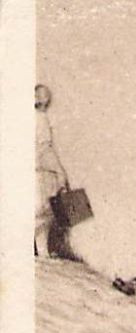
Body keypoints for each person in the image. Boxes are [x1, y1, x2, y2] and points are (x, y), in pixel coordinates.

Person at [35, 85, 71, 259]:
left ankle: (42, 252)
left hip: (38, 170)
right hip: (40, 171)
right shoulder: (40, 119)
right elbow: (44, 148)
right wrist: (60, 171)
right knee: (42, 214)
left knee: (43, 215)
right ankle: (41, 252)